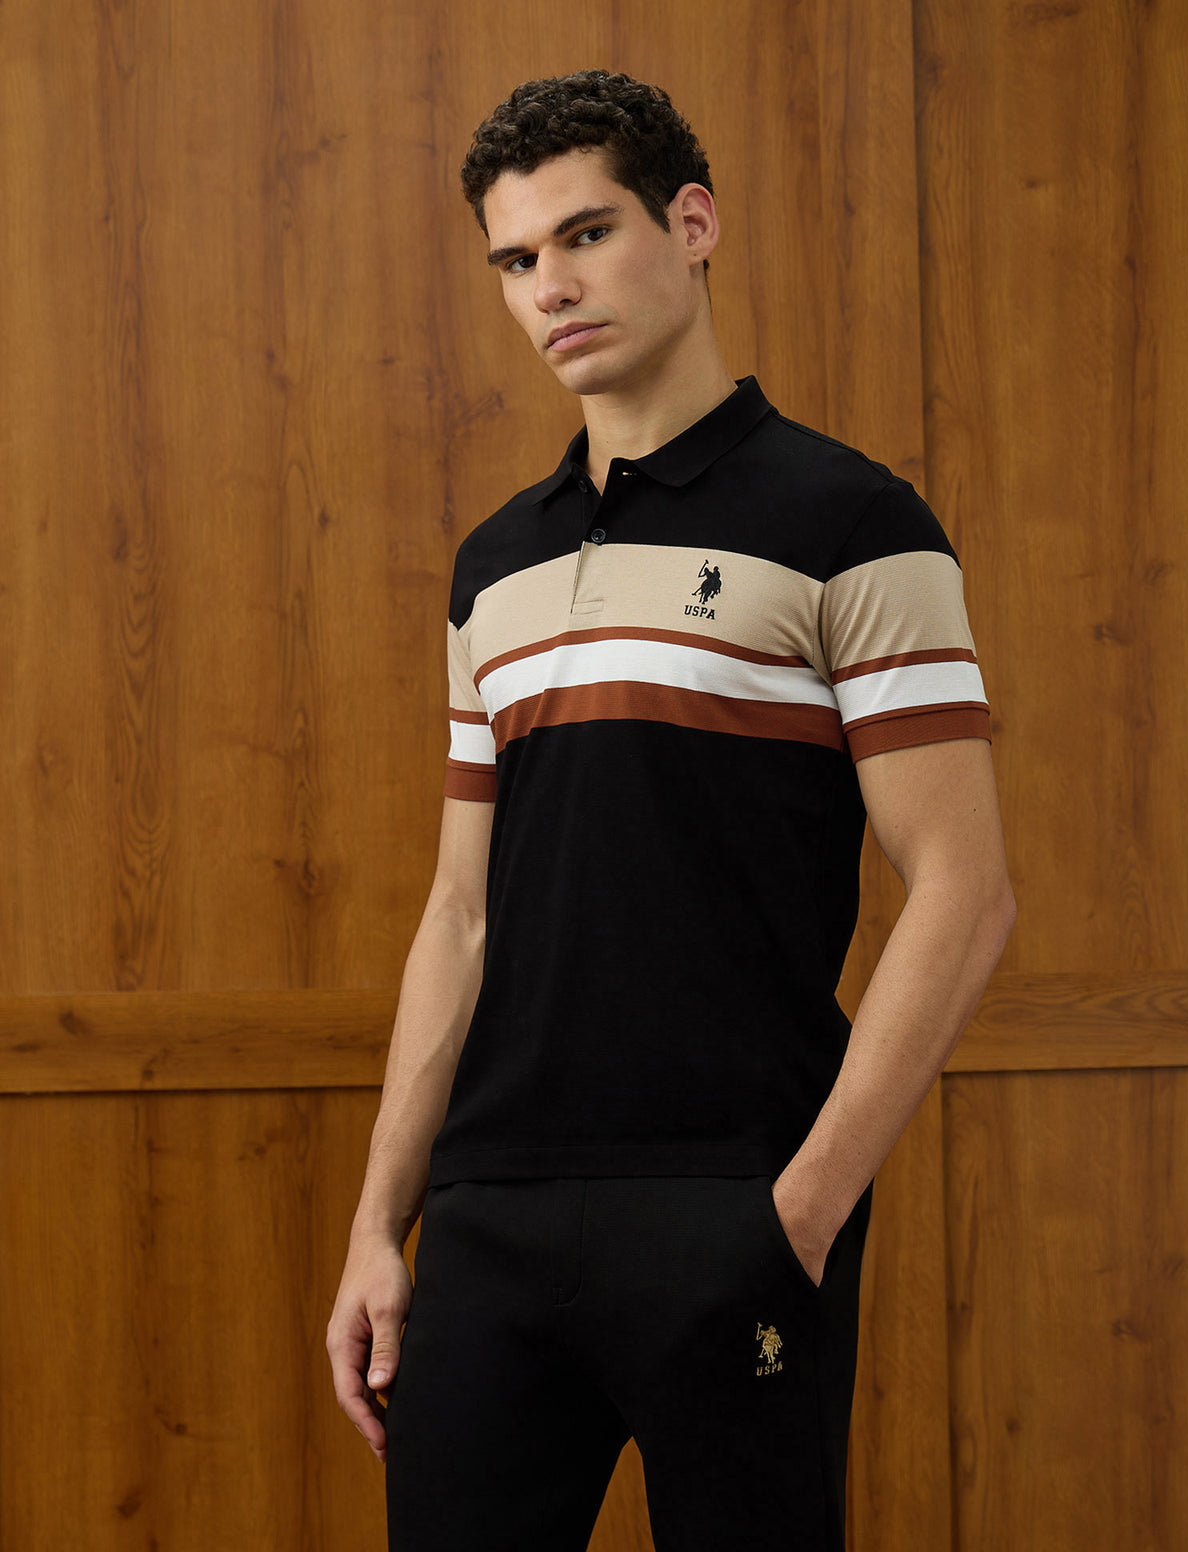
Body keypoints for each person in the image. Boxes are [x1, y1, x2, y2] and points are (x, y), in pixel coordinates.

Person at [326, 68, 1016, 1551]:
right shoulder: (493, 570)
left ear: (691, 225)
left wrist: (803, 1211)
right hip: (491, 1217)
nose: (549, 288)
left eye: (587, 235)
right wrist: (382, 1225)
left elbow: (964, 891)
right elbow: (459, 914)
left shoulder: (853, 526)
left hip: (736, 1206)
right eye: (516, 258)